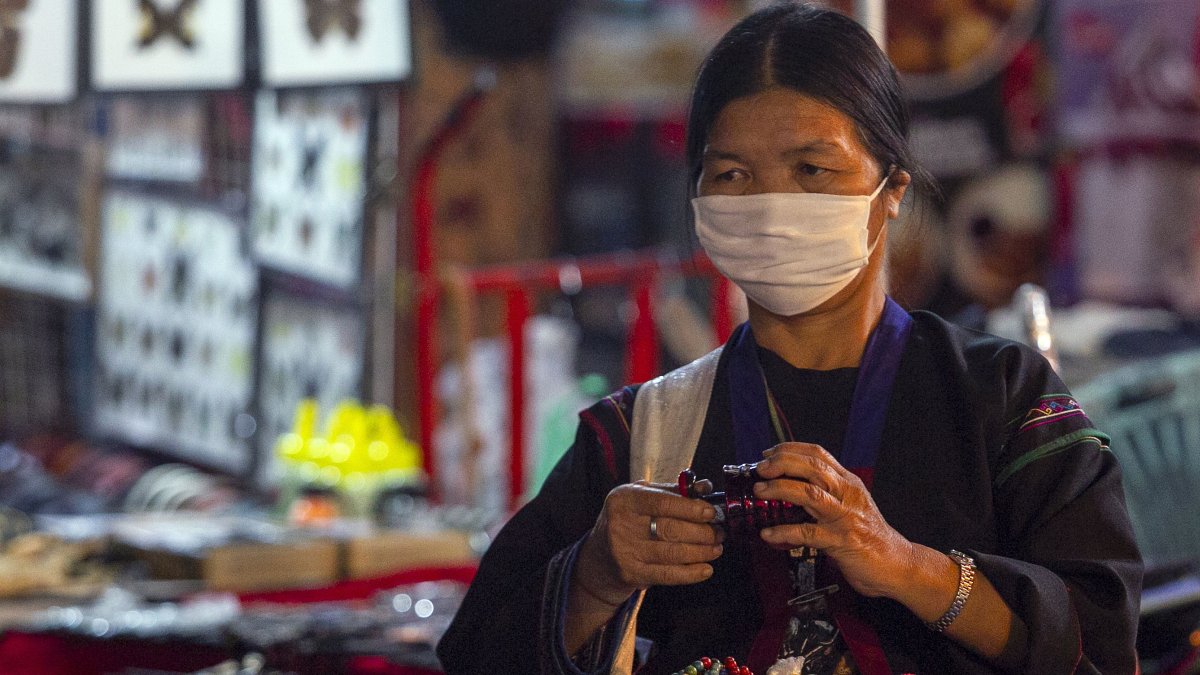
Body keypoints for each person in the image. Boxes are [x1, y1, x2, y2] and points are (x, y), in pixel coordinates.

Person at [437, 3, 1142, 674]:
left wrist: (903, 564)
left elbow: (1102, 640)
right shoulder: (640, 434)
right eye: (734, 174)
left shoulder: (1000, 398)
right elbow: (474, 652)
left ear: (893, 188)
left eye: (812, 169)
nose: (771, 205)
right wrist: (593, 575)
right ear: (699, 197)